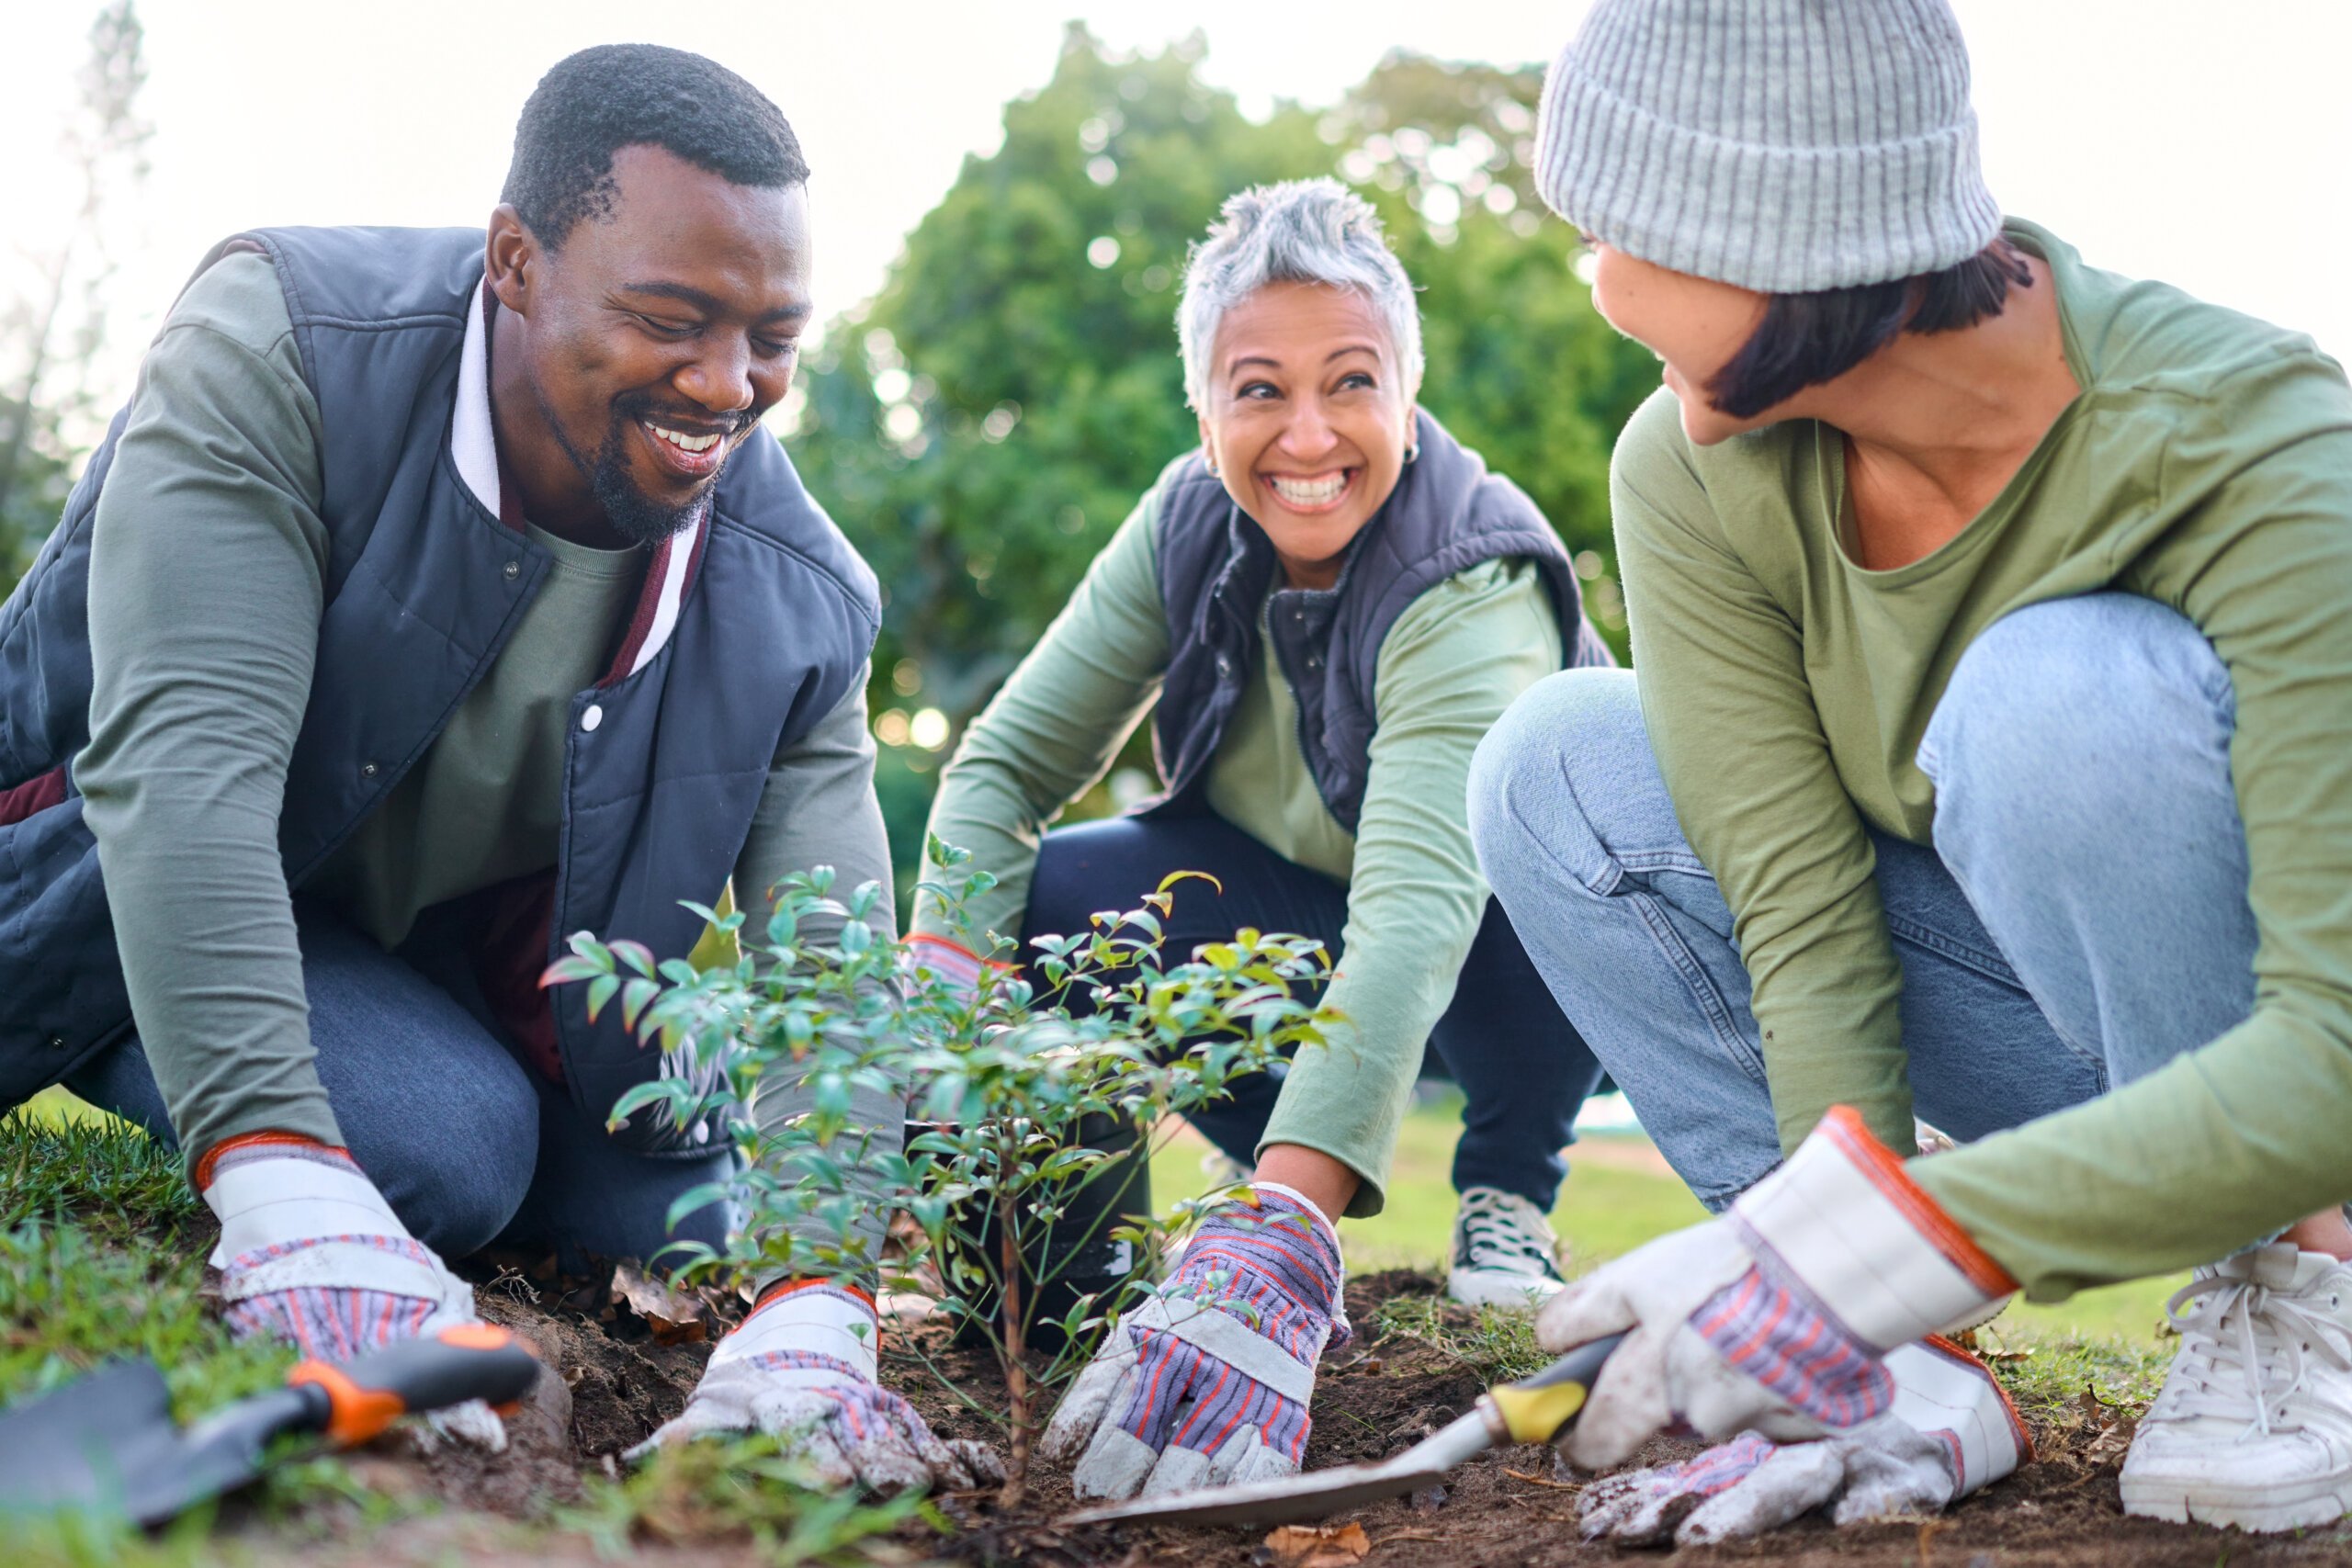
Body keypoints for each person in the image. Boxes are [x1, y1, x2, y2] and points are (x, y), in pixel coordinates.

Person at [0, 46, 986, 1490]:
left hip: (444, 960)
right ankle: (137, 1022)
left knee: (699, 1214)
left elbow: (830, 987)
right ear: (515, 262)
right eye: (671, 319)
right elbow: (187, 767)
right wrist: (282, 1175)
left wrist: (818, 1309)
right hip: (111, 863)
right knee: (447, 1151)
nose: (728, 385)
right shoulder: (283, 343)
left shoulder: (799, 595)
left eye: (774, 335)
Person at [1466, 0, 2352, 1542]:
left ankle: (2304, 1288)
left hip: (2299, 1069)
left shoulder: (2257, 440)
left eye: (1618, 231)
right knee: (1558, 761)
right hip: (2055, 1036)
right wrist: (1860, 1310)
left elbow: (2327, 1052)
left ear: (1778, 236)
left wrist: (1889, 1240)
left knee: (2053, 691)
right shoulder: (1691, 468)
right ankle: (1890, 1373)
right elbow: (1799, 912)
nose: (1595, 281)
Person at [907, 177, 1614, 1501]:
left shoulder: (1471, 576)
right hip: (1291, 897)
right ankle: (1099, 1279)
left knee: (1525, 887)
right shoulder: (1184, 521)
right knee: (1052, 899)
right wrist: (945, 975)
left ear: (1407, 385)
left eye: (1350, 382)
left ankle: (1505, 1190)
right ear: (1204, 406)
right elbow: (1003, 767)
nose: (1308, 434)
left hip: (1503, 931)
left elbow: (1415, 915)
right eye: (1258, 390)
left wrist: (1286, 1234)